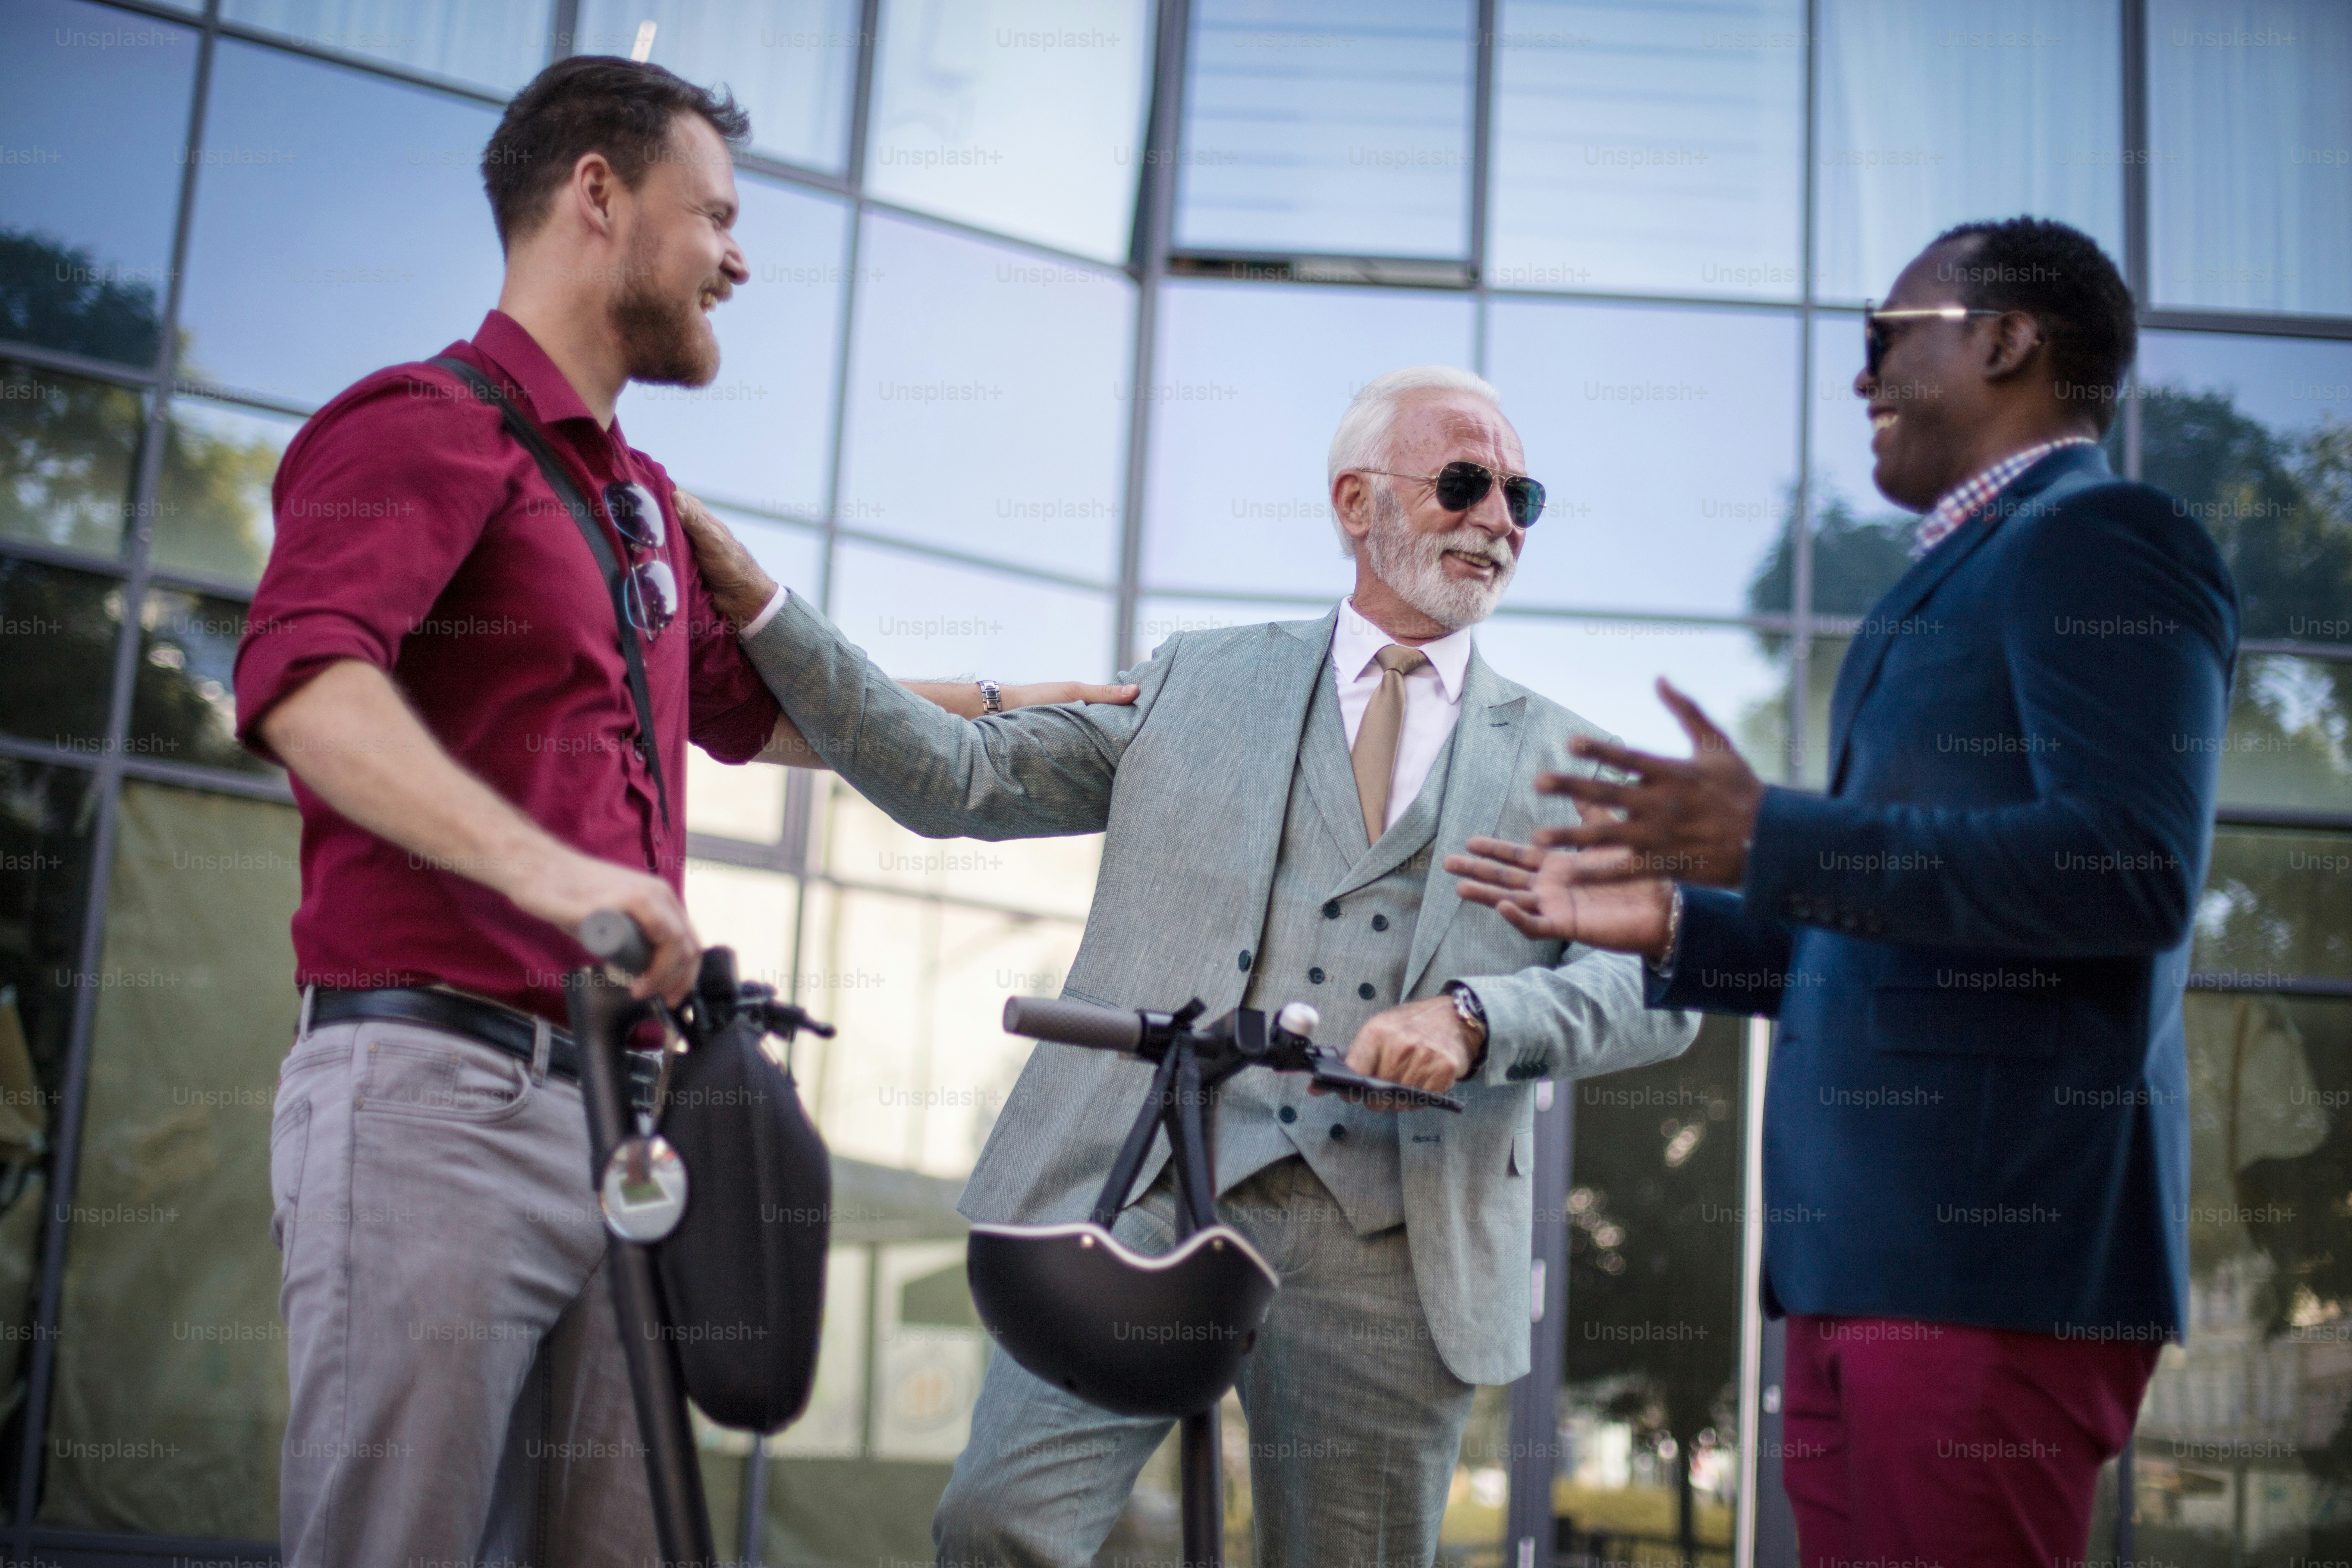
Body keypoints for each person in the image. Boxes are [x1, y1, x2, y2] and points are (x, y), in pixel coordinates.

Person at [235, 57, 1127, 1568]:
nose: (739, 255)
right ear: (599, 192)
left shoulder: (642, 501)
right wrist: (564, 878)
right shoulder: (417, 427)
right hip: (432, 1101)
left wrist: (1041, 706)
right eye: (713, 214)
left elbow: (781, 712)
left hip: (618, 1126)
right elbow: (304, 685)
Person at [672, 364, 1699, 1566]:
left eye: (1521, 496)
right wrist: (761, 606)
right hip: (1149, 1177)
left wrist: (1482, 1013)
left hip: (1397, 1230)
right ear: (1353, 502)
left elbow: (1664, 988)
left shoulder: (1573, 761)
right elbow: (955, 773)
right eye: (1465, 485)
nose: (1498, 522)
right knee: (998, 1521)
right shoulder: (1199, 680)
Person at [1448, 218, 2238, 1565]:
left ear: (2004, 341)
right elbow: (1904, 940)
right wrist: (1682, 920)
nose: (1857, 377)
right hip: (1859, 1269)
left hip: (1987, 1272)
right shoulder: (1942, 584)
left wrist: (1774, 836)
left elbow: (2127, 872)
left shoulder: (2103, 536)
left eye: (1881, 338)